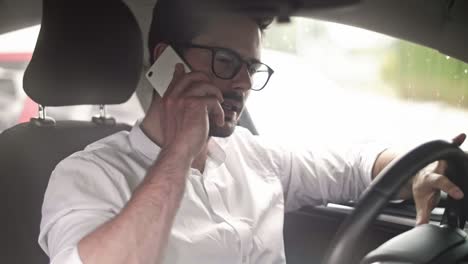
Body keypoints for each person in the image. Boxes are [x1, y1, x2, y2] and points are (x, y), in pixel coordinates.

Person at [39, 0, 466, 263]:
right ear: (166, 62)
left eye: (251, 67)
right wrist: (180, 152)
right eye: (225, 61)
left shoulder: (255, 157)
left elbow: (356, 167)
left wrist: (415, 174)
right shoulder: (87, 176)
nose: (243, 83)